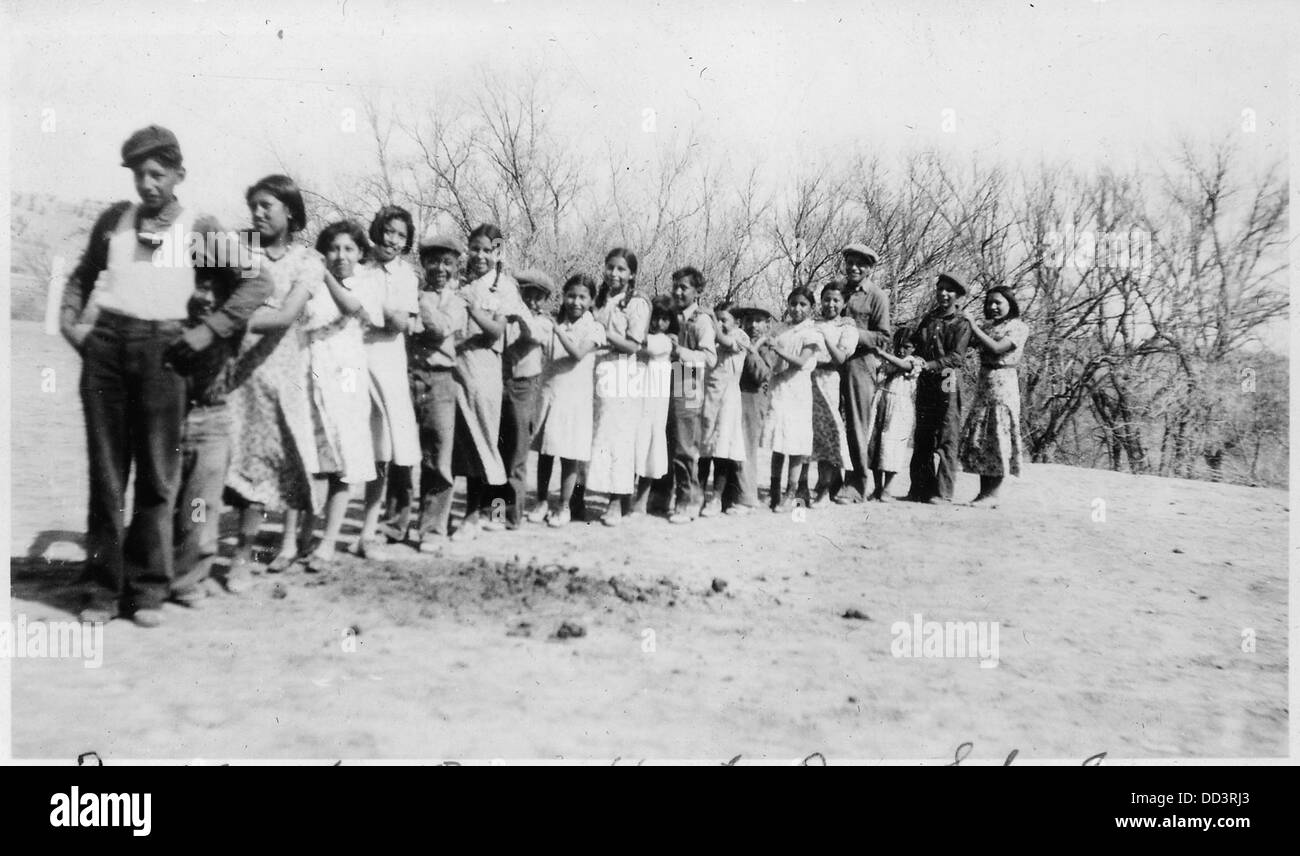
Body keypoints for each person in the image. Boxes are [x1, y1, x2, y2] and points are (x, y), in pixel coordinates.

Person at [60, 125, 272, 626]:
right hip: (108, 348)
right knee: (107, 477)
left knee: (158, 478)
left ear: (179, 175)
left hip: (166, 353)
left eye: (157, 173)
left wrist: (209, 331)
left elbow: (257, 281)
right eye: (139, 174)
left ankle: (146, 590)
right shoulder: (116, 220)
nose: (147, 183)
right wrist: (71, 324)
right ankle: (102, 591)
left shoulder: (198, 228)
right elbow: (83, 275)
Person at [224, 175, 328, 587]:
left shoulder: (308, 261)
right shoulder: (235, 249)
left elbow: (285, 315)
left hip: (273, 376)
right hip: (226, 371)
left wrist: (226, 320)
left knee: (257, 465)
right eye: (253, 205)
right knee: (212, 462)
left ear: (290, 211)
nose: (258, 213)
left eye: (266, 205)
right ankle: (191, 553)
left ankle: (242, 555)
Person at [301, 221, 380, 568]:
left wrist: (323, 275)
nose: (341, 256)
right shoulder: (311, 283)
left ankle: (329, 541)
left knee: (344, 458)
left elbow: (352, 307)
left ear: (361, 253)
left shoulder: (367, 281)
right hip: (314, 370)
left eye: (349, 249)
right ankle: (303, 535)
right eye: (333, 249)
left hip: (348, 375)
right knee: (313, 458)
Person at [357, 205, 421, 551]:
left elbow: (399, 324)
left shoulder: (406, 275)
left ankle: (369, 530)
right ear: (377, 230)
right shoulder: (358, 267)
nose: (393, 239)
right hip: (353, 358)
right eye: (388, 231)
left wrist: (375, 308)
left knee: (383, 446)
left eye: (400, 235)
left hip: (388, 363)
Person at [449, 224, 517, 540]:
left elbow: (496, 331)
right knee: (462, 445)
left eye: (487, 250)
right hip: (456, 369)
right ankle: (465, 513)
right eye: (474, 249)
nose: (479, 255)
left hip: (485, 371)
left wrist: (473, 310)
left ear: (497, 253)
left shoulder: (503, 288)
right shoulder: (460, 283)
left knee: (485, 442)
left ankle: (481, 515)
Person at [527, 274, 606, 527]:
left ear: (591, 300)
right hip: (550, 393)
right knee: (545, 453)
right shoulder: (555, 323)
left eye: (583, 297)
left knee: (569, 455)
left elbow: (578, 353)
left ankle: (563, 506)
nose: (576, 302)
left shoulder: (594, 328)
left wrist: (556, 329)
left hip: (575, 399)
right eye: (571, 296)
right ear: (563, 297)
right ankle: (541, 501)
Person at [407, 234, 468, 549]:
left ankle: (432, 529)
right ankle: (395, 524)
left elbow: (440, 329)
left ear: (456, 267)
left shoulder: (457, 301)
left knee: (438, 456)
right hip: (408, 376)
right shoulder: (410, 292)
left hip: (441, 379)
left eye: (447, 262)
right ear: (423, 263)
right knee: (402, 454)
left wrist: (421, 304)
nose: (440, 268)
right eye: (433, 261)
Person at [586, 248, 651, 527]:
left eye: (621, 269)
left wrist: (605, 332)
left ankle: (616, 501)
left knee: (619, 438)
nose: (614, 273)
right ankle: (585, 496)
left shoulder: (637, 303)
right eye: (610, 267)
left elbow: (634, 345)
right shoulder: (599, 300)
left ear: (632, 274)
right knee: (596, 436)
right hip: (596, 369)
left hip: (623, 373)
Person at [960, 287, 1029, 507]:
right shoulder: (989, 327)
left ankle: (994, 494)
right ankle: (984, 493)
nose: (993, 307)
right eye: (989, 302)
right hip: (984, 385)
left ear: (1010, 303)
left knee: (999, 437)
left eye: (998, 302)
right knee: (984, 438)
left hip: (1003, 384)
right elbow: (969, 341)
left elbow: (998, 348)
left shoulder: (1018, 327)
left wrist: (973, 326)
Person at [907, 273, 973, 504]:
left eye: (949, 290)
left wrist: (930, 364)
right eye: (940, 289)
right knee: (923, 434)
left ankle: (943, 492)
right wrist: (912, 354)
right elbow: (916, 343)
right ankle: (920, 488)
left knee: (947, 434)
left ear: (958, 296)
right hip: (926, 380)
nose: (943, 294)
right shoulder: (929, 318)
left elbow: (956, 357)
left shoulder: (962, 323)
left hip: (948, 379)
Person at [498, 269, 555, 528]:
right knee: (499, 452)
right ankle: (496, 513)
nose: (532, 301)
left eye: (537, 296)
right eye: (526, 294)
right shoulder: (507, 318)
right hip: (501, 384)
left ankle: (513, 516)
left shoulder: (543, 322)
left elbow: (531, 335)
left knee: (517, 454)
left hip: (524, 388)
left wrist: (519, 312)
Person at [836, 244, 893, 504]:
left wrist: (853, 333)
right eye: (850, 262)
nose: (854, 268)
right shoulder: (838, 290)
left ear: (870, 268)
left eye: (860, 264)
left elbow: (883, 337)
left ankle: (856, 484)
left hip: (860, 364)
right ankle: (831, 480)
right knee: (832, 420)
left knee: (857, 424)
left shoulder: (877, 296)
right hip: (833, 362)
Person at [757, 287, 822, 512]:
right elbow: (770, 353)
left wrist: (777, 349)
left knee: (795, 445)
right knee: (778, 442)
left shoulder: (812, 332)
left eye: (803, 304)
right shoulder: (781, 329)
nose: (797, 309)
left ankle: (791, 492)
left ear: (811, 307)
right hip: (779, 388)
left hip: (798, 391)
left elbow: (801, 361)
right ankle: (774, 491)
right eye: (793, 303)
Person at [665, 266, 717, 523]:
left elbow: (710, 358)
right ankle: (662, 495)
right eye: (675, 286)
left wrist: (681, 352)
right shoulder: (669, 315)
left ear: (697, 291)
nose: (677, 292)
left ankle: (689, 499)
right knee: (666, 441)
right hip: (665, 381)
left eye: (683, 287)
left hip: (688, 382)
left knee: (685, 446)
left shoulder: (702, 320)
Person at [800, 281, 858, 506]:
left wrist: (824, 337)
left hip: (829, 380)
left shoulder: (846, 327)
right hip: (805, 380)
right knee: (804, 434)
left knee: (827, 435)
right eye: (826, 299)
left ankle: (824, 489)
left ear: (844, 303)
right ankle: (801, 487)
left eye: (836, 300)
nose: (830, 304)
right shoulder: (810, 323)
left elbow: (841, 358)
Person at [698, 300, 750, 516]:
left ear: (737, 322)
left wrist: (711, 319)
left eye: (724, 320)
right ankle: (698, 494)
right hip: (708, 395)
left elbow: (726, 342)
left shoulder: (741, 336)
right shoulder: (711, 338)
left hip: (728, 398)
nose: (719, 323)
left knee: (722, 449)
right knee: (704, 448)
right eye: (717, 319)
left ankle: (716, 497)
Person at [630, 295, 676, 517]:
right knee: (633, 447)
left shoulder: (666, 341)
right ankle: (625, 496)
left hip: (654, 405)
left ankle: (641, 499)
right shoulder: (645, 336)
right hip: (637, 401)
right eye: (655, 317)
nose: (659, 323)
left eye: (665, 319)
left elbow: (641, 343)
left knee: (649, 448)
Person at [864, 326, 921, 501]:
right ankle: (877, 488)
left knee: (892, 447)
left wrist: (883, 354)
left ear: (914, 348)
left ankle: (887, 489)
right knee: (875, 445)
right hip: (880, 403)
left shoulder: (915, 362)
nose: (901, 350)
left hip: (899, 408)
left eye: (907, 346)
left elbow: (903, 365)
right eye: (899, 346)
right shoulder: (887, 362)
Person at [730, 308, 776, 512]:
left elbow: (760, 374)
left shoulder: (767, 346)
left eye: (758, 321)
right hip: (735, 396)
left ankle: (747, 497)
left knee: (746, 448)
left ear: (767, 324)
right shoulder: (739, 340)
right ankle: (732, 494)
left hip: (752, 398)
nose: (753, 325)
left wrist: (752, 349)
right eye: (749, 320)